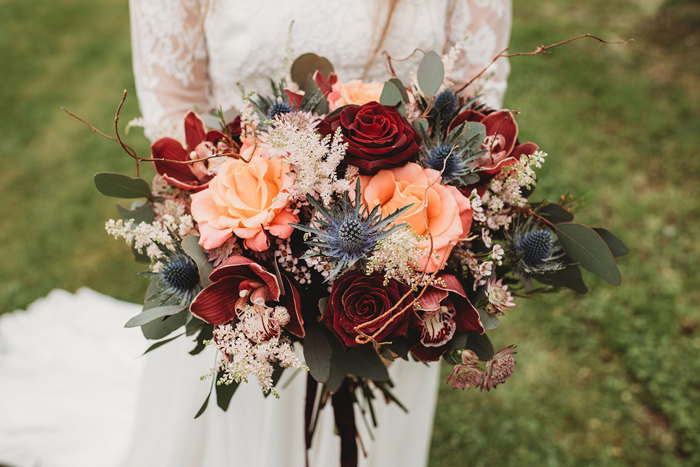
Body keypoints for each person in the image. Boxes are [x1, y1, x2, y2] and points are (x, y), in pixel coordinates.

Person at [0, 1, 511, 466]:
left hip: (409, 264)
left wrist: (404, 245)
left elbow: (475, 98)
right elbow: (175, 109)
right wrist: (261, 230)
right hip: (248, 276)